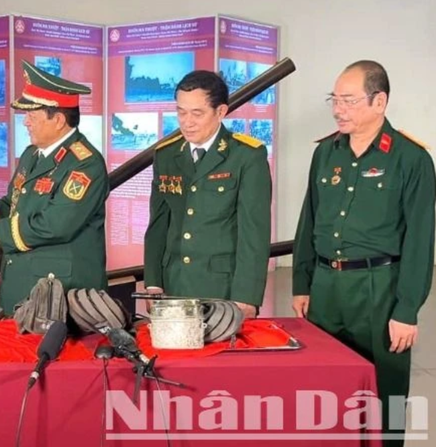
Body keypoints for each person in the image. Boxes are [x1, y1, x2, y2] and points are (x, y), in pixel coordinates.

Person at [292, 60, 434, 446]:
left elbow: (421, 240)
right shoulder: (326, 153)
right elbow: (309, 221)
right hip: (326, 285)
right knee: (325, 385)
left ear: (380, 101)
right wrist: (302, 283)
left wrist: (406, 310)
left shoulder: (410, 158)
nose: (339, 109)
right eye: (334, 100)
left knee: (384, 390)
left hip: (379, 288)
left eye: (349, 100)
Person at [0, 60, 109, 316]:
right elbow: (12, 204)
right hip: (22, 286)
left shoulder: (86, 164)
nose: (26, 123)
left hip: (60, 294)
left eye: (31, 115)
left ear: (59, 120)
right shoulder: (33, 154)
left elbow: (55, 224)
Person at [143, 70, 272, 317]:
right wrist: (153, 282)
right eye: (181, 112)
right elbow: (158, 224)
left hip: (222, 287)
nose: (187, 122)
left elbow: (254, 233)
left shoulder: (246, 156)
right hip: (174, 284)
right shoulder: (166, 154)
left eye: (197, 113)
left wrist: (247, 296)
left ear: (221, 111)